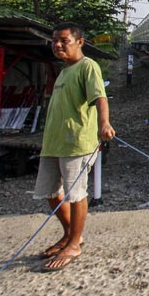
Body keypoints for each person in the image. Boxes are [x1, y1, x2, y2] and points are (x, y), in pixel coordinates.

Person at [33, 22, 115, 271]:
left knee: (75, 194)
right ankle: (71, 235)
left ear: (79, 42)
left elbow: (100, 98)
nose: (57, 45)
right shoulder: (63, 71)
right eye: (54, 41)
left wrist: (104, 124)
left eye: (64, 40)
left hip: (77, 143)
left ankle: (74, 245)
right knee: (49, 193)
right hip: (53, 144)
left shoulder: (88, 66)